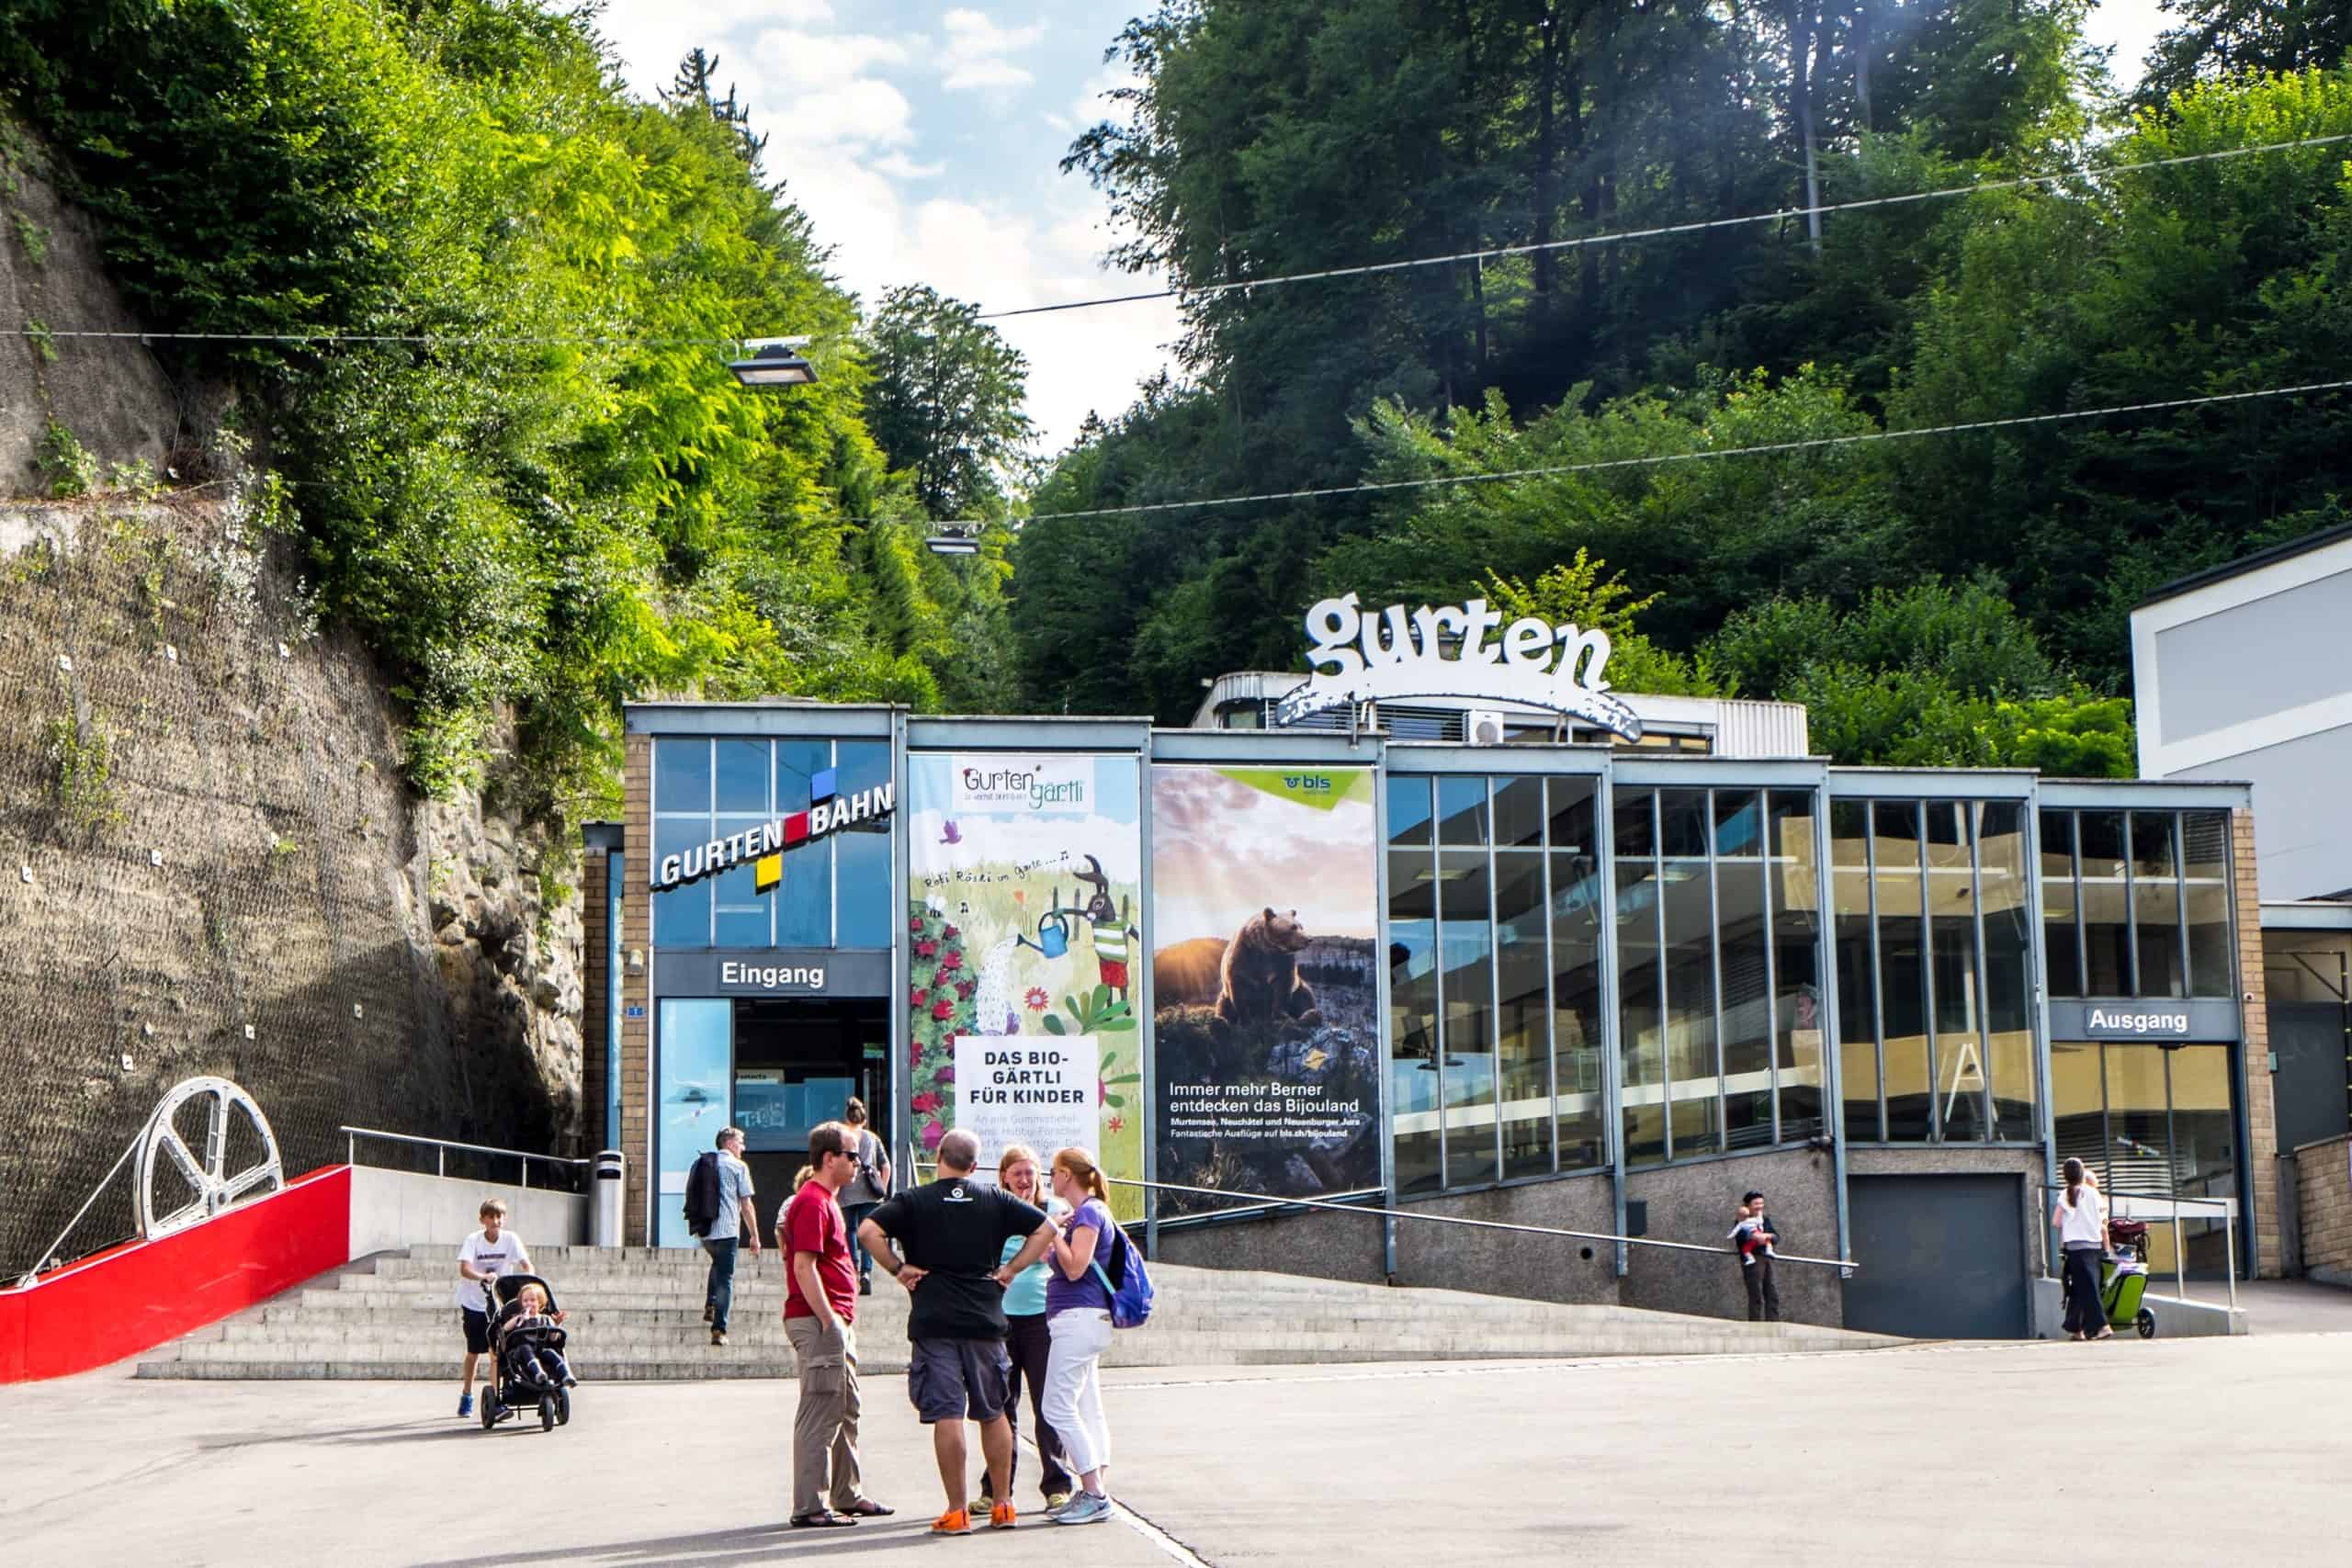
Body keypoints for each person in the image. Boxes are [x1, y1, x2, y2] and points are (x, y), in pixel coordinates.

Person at [859, 1127, 1056, 1535]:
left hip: (935, 1321)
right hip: (986, 1320)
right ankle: (1003, 1505)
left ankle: (957, 1510)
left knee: (948, 1413)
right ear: (974, 1165)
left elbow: (867, 1232)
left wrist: (898, 1269)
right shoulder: (995, 1199)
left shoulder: (914, 1200)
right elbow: (1046, 1229)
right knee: (994, 1410)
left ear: (939, 1155)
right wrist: (1011, 1270)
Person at [780, 1122, 893, 1529]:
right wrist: (829, 1321)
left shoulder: (827, 1200)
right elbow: (803, 1265)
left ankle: (848, 1494)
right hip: (819, 1322)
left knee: (846, 1409)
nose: (860, 1164)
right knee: (821, 1411)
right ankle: (810, 1505)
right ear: (829, 1160)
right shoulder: (812, 1201)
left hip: (833, 1321)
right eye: (852, 1156)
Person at [977, 1143, 1073, 1517]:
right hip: (1001, 1320)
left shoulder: (1055, 1213)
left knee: (1046, 1404)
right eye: (1016, 1173)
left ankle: (1057, 1486)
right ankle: (996, 1489)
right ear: (1003, 1177)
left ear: (1039, 1177)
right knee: (1001, 1406)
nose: (1023, 1180)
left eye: (1029, 1172)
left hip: (1041, 1319)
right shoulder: (996, 1214)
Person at [1041, 1145, 1119, 1527]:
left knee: (1055, 1407)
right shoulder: (1086, 1214)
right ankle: (1094, 1488)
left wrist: (1055, 1230)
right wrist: (1057, 1233)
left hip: (1080, 1318)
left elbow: (1074, 1268)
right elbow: (1057, 1260)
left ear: (1067, 1175)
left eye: (1052, 1171)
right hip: (1082, 1319)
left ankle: (1094, 1493)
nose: (1049, 1178)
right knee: (1087, 1406)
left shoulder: (1089, 1212)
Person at [454, 1198, 529, 1418]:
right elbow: (465, 1269)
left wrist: (529, 1280)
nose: (496, 1221)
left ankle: (496, 1401)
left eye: (500, 1217)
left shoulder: (511, 1239)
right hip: (474, 1303)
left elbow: (526, 1263)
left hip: (500, 1305)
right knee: (473, 1353)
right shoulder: (473, 1240)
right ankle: (467, 1394)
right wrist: (483, 1277)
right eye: (491, 1217)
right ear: (483, 1220)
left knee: (496, 1353)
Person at [699, 1126, 759, 1347]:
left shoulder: (704, 1164)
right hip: (727, 1230)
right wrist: (754, 1235)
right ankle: (719, 1328)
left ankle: (710, 1303)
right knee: (725, 1278)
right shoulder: (738, 1166)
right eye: (741, 1142)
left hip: (705, 1231)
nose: (743, 1147)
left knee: (718, 1263)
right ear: (730, 1143)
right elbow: (746, 1205)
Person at [839, 1099, 894, 1297]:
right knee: (868, 1233)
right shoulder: (872, 1138)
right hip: (870, 1193)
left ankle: (853, 1268)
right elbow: (885, 1165)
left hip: (846, 1190)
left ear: (847, 1118)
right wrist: (883, 1188)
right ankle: (866, 1273)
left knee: (850, 1231)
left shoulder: (842, 1139)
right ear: (864, 1119)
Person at [2054, 1157, 2113, 1341]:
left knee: (2084, 1287)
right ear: (2082, 1173)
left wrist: (2070, 1222)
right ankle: (2083, 1328)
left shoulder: (2064, 1194)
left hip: (2074, 1248)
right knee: (2085, 1287)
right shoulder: (2093, 1193)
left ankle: (2093, 1326)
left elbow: (2055, 1222)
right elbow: (2102, 1220)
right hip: (2093, 1246)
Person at [1730, 1190, 1781, 1323]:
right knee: (1756, 1294)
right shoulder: (1741, 1221)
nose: (1760, 1206)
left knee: (1772, 1293)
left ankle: (1773, 1322)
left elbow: (1776, 1236)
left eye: (1761, 1203)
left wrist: (1768, 1236)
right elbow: (1740, 1239)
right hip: (1752, 1260)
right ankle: (1755, 1323)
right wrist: (1753, 1237)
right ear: (1747, 1205)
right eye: (1756, 1203)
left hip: (1767, 1258)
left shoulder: (1765, 1220)